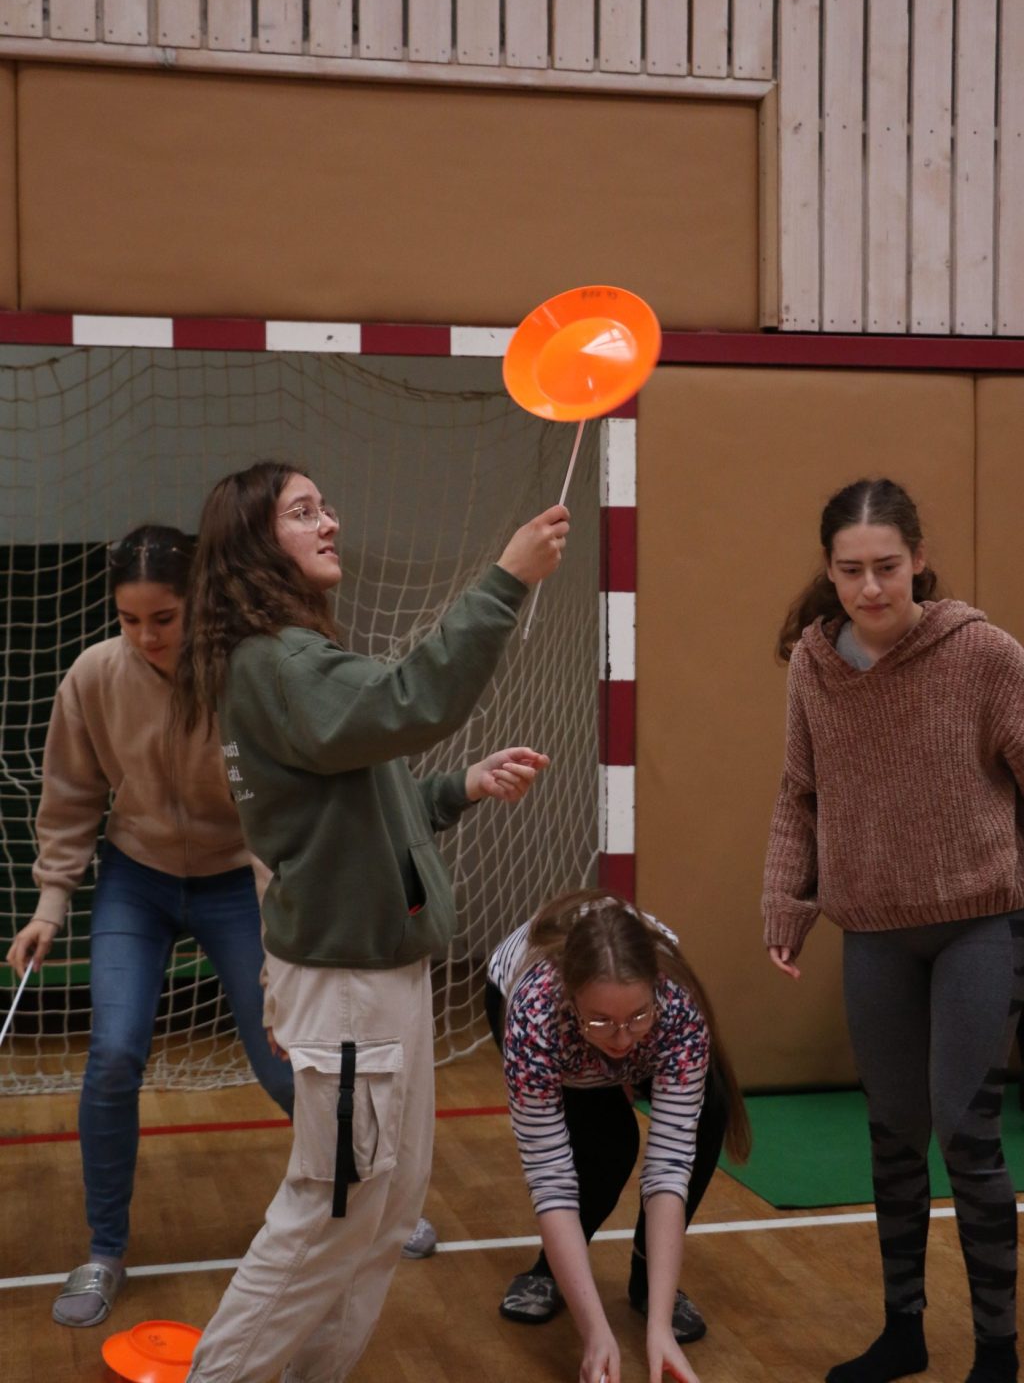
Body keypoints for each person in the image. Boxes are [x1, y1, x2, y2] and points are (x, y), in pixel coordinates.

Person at [174, 459, 569, 1383]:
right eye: (303, 512)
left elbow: (357, 813)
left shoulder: (289, 663)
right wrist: (506, 580)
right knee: (333, 1208)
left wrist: (460, 787)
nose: (330, 523)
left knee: (384, 1209)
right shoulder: (280, 662)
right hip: (348, 986)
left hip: (378, 978)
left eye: (325, 507)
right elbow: (410, 700)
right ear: (254, 547)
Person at [764, 477, 1024, 1383]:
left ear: (918, 559)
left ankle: (997, 1352)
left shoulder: (983, 654)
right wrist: (786, 904)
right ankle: (903, 1332)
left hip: (980, 924)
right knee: (893, 1131)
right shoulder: (814, 664)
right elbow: (799, 793)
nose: (869, 587)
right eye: (851, 571)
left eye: (886, 566)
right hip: (874, 930)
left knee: (966, 1133)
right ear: (829, 570)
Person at [4, 526, 295, 1329]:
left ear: (199, 600)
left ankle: (367, 1202)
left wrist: (282, 942)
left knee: (284, 1062)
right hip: (137, 881)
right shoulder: (94, 675)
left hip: (239, 882)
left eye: (163, 618)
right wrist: (50, 904)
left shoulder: (248, 673)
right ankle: (104, 1251)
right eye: (129, 620)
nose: (146, 637)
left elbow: (275, 817)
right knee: (113, 1056)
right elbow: (70, 793)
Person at [487, 889, 751, 1383]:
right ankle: (551, 1271)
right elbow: (550, 1180)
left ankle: (649, 1283)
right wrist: (594, 1333)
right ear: (571, 999)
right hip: (530, 1012)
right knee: (607, 1144)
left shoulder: (678, 1007)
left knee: (707, 1111)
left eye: (636, 1017)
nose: (623, 1039)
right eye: (602, 1021)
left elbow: (670, 1166)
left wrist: (659, 1328)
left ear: (655, 992)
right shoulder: (536, 1015)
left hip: (630, 1023)